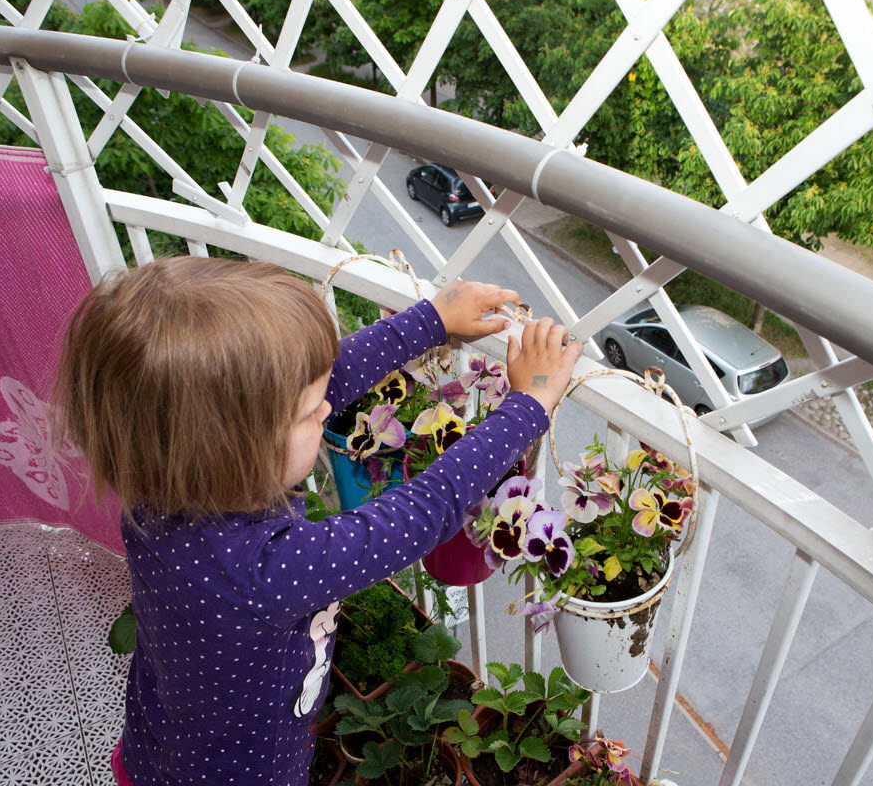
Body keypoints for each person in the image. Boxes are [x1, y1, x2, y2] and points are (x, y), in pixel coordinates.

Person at [54, 256, 581, 786]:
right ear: (238, 448)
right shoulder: (271, 567)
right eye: (310, 414)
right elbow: (426, 508)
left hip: (162, 742)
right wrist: (529, 404)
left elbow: (320, 381)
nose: (328, 409)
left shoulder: (158, 481)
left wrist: (432, 319)